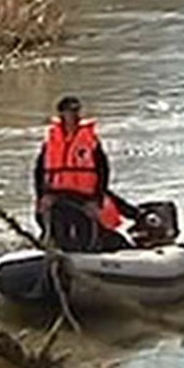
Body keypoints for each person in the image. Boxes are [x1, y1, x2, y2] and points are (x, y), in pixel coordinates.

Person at [33, 96, 138, 251]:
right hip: (57, 197)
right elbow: (39, 171)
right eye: (70, 111)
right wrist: (41, 197)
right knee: (58, 233)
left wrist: (96, 200)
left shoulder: (90, 140)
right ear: (62, 113)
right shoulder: (51, 140)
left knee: (87, 235)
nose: (74, 115)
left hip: (83, 198)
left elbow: (103, 170)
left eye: (76, 111)